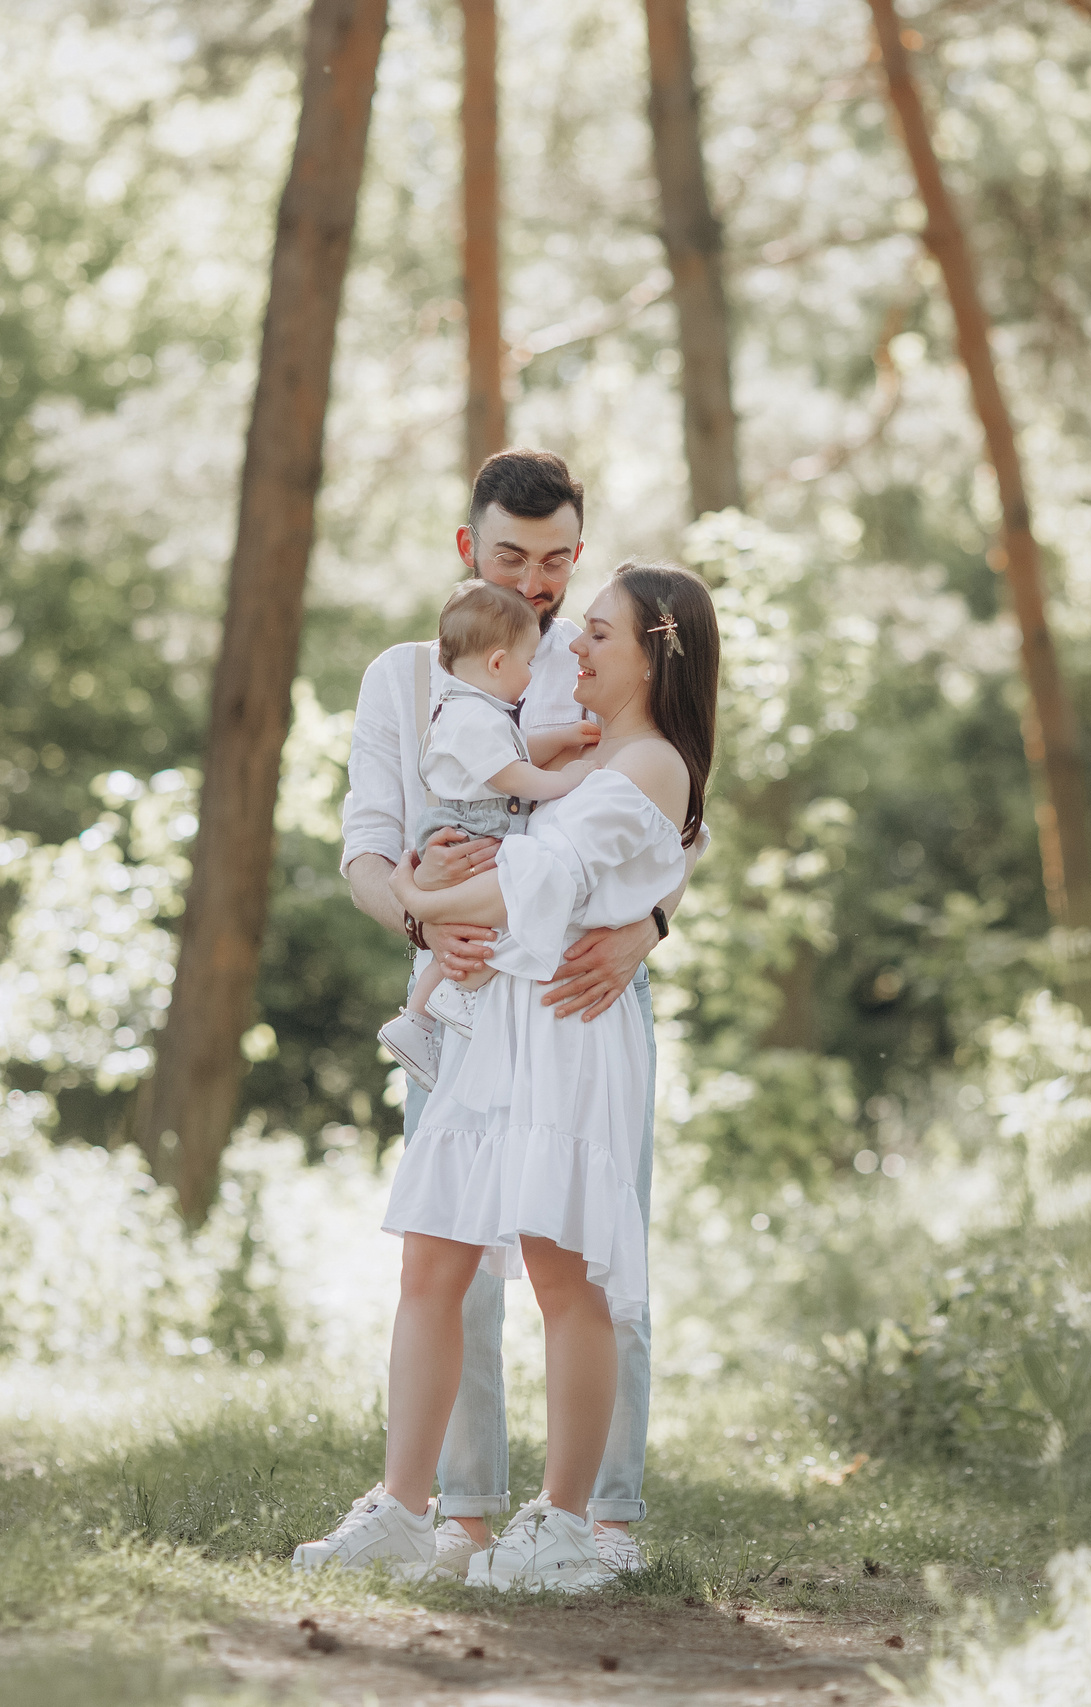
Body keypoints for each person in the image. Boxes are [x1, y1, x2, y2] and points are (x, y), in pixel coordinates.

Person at [298, 561, 718, 1590]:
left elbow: (533, 883)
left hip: (567, 1033)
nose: (576, 644)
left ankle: (565, 1522)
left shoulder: (652, 764)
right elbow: (494, 849)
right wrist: (435, 880)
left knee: (564, 1278)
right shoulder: (585, 752)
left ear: (653, 654)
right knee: (431, 1264)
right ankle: (405, 1508)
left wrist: (419, 898)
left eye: (600, 633)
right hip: (497, 1031)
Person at [376, 579, 594, 1093]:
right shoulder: (472, 717)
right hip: (477, 830)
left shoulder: (472, 709)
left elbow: (515, 748)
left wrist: (564, 736)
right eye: (528, 663)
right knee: (509, 908)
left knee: (477, 924)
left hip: (472, 826)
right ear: (498, 663)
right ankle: (447, 1002)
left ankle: (419, 1016)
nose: (531, 674)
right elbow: (512, 775)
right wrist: (568, 780)